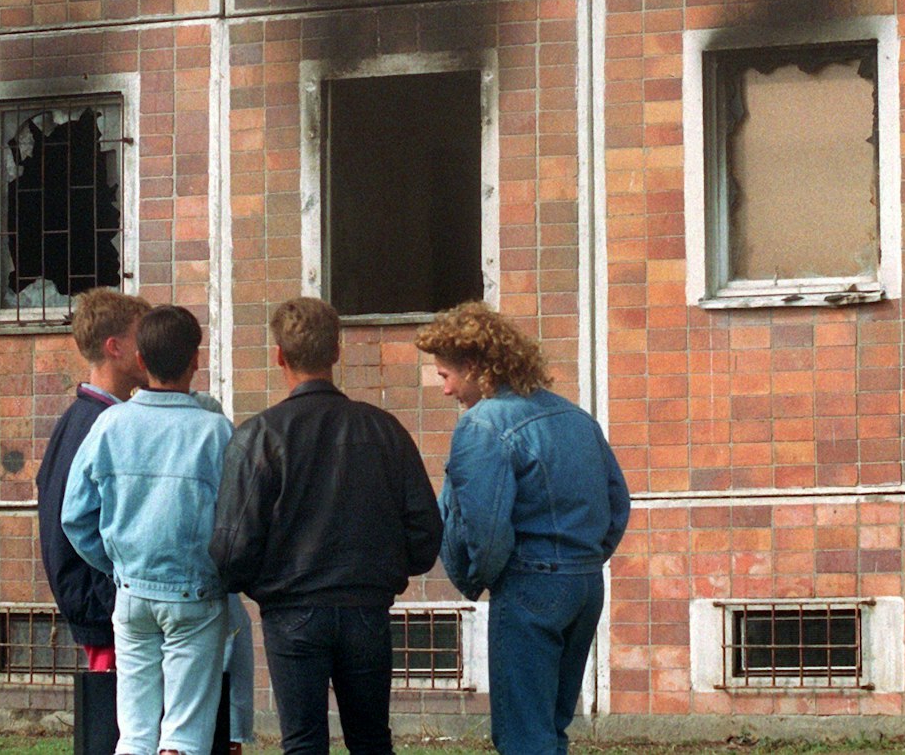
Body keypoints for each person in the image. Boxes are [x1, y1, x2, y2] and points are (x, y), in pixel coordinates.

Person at [211, 297, 442, 755]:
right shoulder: (385, 430)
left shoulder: (259, 436)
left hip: (291, 611)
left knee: (302, 743)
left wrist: (261, 585)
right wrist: (386, 569)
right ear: (337, 351)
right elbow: (425, 532)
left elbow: (232, 549)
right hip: (366, 607)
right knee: (372, 740)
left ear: (279, 355)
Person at [414, 302, 629, 755]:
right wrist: (583, 559)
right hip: (585, 583)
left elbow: (486, 530)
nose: (445, 390)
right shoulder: (575, 416)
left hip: (531, 585)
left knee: (522, 736)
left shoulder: (482, 425)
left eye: (445, 376)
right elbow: (617, 503)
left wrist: (480, 579)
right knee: (551, 727)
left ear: (473, 367)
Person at [64, 305, 234, 755]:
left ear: (140, 361)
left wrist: (117, 564)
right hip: (196, 593)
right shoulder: (216, 432)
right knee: (185, 732)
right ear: (195, 360)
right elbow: (238, 520)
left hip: (131, 592)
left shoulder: (109, 424)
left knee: (135, 732)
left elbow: (74, 517)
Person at [37, 289, 151, 675]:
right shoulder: (99, 425)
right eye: (142, 338)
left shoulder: (82, 418)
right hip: (106, 614)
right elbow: (73, 523)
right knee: (122, 727)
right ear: (115, 347)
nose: (150, 348)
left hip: (101, 608)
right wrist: (115, 595)